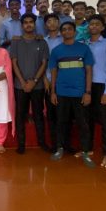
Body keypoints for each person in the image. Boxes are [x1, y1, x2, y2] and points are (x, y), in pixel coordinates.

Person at [49, 21, 94, 167]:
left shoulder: (84, 49)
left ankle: (85, 151)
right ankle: (60, 148)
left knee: (83, 124)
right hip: (61, 93)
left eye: (69, 29)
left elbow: (89, 71)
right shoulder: (56, 51)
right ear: (61, 33)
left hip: (80, 93)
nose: (67, 31)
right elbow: (53, 72)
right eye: (64, 29)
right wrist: (53, 92)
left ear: (74, 32)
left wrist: (88, 92)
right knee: (61, 122)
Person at [11, 13, 49, 154]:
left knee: (38, 115)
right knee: (20, 115)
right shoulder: (16, 42)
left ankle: (42, 142)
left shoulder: (42, 42)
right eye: (25, 22)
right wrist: (23, 82)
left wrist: (34, 81)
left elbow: (44, 63)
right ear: (22, 26)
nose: (28, 24)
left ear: (34, 24)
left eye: (31, 22)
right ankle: (21, 144)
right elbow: (14, 63)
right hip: (20, 85)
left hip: (37, 86)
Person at [86, 15, 106, 168]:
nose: (94, 26)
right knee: (87, 119)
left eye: (97, 24)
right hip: (86, 86)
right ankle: (88, 148)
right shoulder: (84, 44)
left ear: (102, 27)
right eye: (91, 24)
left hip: (102, 86)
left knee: (105, 121)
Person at [43, 13, 63, 151]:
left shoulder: (65, 39)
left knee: (64, 114)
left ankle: (64, 144)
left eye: (54, 21)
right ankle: (55, 144)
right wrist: (45, 78)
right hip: (48, 82)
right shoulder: (43, 41)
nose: (52, 23)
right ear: (45, 25)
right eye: (49, 21)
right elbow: (41, 62)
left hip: (63, 81)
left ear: (58, 22)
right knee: (51, 115)